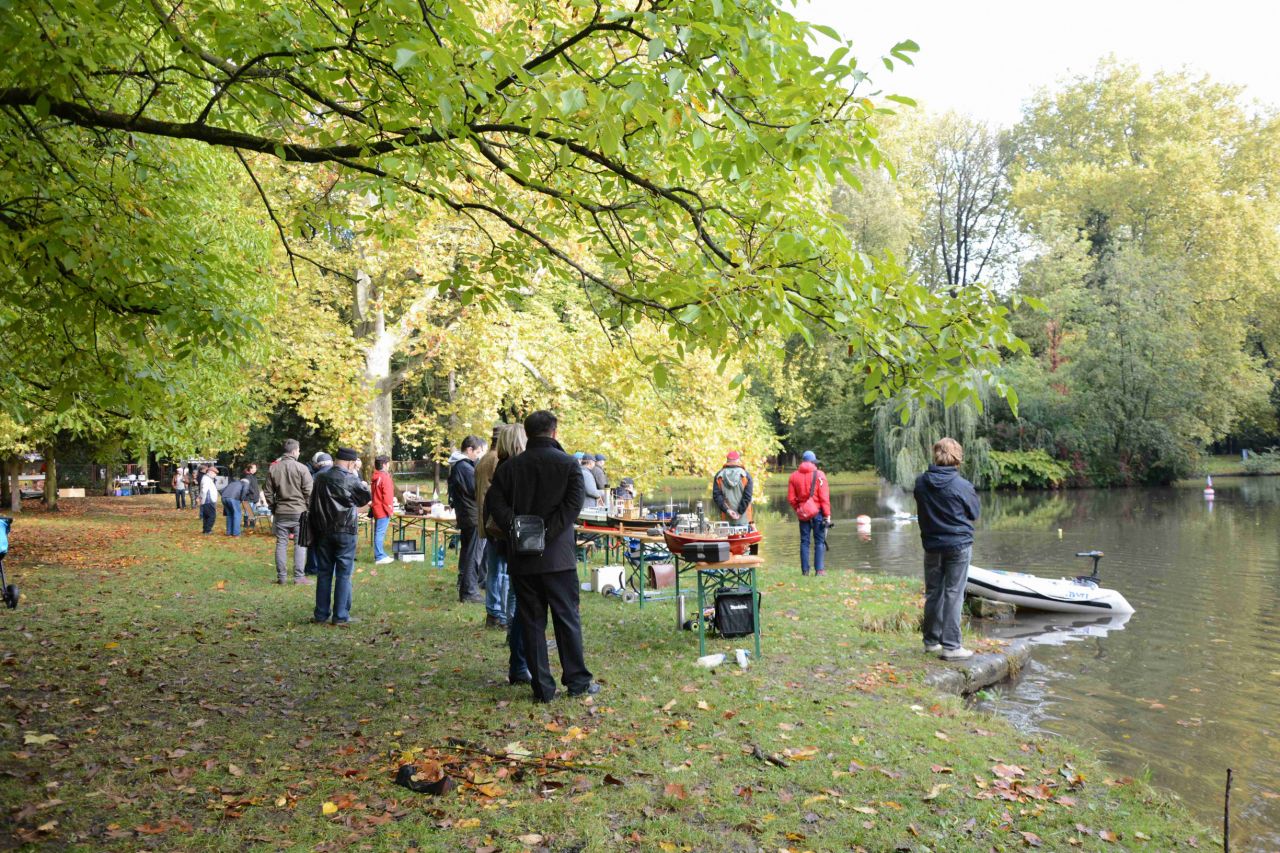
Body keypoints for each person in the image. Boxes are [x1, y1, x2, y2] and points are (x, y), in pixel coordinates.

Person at [485, 410, 597, 703]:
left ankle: (543, 688)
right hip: (558, 557)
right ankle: (577, 681)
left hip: (523, 557)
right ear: (554, 432)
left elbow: (494, 502)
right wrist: (546, 532)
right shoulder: (568, 464)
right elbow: (572, 507)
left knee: (532, 622)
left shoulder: (511, 467)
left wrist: (519, 528)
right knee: (566, 618)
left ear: (527, 433)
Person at [914, 437, 981, 661]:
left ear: (936, 454)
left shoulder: (921, 483)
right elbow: (974, 513)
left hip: (932, 545)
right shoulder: (962, 485)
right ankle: (952, 647)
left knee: (934, 592)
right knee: (954, 593)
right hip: (958, 545)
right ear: (957, 457)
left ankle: (931, 642)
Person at [309, 448, 372, 626]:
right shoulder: (351, 478)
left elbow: (313, 503)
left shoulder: (320, 478)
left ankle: (321, 614)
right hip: (345, 530)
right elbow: (364, 499)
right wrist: (364, 485)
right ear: (351, 463)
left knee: (324, 573)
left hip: (323, 530)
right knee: (344, 574)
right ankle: (340, 615)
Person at [264, 439, 313, 585]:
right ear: (294, 451)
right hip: (299, 511)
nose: (299, 453)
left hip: (281, 511)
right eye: (299, 450)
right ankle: (299, 577)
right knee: (300, 544)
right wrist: (308, 508)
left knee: (281, 543)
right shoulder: (302, 468)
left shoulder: (273, 468)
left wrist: (273, 507)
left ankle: (282, 577)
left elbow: (268, 492)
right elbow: (309, 492)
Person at [448, 435, 486, 603]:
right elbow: (476, 490)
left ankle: (464, 586)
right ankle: (469, 591)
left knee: (467, 552)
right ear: (469, 450)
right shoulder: (464, 467)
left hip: (466, 515)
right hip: (472, 516)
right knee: (473, 554)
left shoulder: (459, 465)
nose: (478, 456)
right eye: (477, 452)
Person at [474, 427, 504, 627]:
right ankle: (498, 612)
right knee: (501, 570)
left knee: (494, 569)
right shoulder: (496, 460)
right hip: (495, 522)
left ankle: (493, 613)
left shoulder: (483, 459)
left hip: (486, 519)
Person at [787, 450, 831, 576]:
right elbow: (824, 498)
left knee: (804, 541)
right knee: (819, 541)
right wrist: (827, 514)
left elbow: (791, 498)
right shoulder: (820, 475)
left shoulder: (793, 476)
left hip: (803, 514)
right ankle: (819, 570)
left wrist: (800, 509)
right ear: (812, 462)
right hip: (818, 512)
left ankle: (805, 571)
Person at [303, 452, 333, 576]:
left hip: (316, 513)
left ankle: (312, 567)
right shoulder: (337, 475)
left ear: (318, 464)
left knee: (313, 542)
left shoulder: (314, 477)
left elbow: (308, 495)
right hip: (332, 514)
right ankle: (327, 566)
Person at [712, 450, 754, 525]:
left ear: (727, 461)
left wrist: (728, 510)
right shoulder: (746, 476)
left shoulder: (719, 476)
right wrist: (739, 512)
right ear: (738, 461)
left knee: (727, 532)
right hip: (744, 519)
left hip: (726, 520)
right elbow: (747, 497)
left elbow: (717, 496)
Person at [370, 455, 395, 565]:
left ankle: (380, 554)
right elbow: (387, 496)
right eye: (388, 463)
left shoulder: (376, 476)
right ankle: (380, 556)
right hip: (383, 509)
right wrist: (390, 510)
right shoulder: (385, 477)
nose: (388, 465)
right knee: (380, 533)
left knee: (378, 533)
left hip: (376, 507)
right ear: (384, 465)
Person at [198, 465, 219, 535]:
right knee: (212, 516)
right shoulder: (206, 479)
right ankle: (208, 530)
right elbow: (204, 490)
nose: (215, 475)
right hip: (209, 500)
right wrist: (201, 497)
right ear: (210, 472)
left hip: (207, 500)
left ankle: (205, 530)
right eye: (215, 473)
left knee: (206, 516)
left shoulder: (206, 478)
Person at [241, 463, 262, 529]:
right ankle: (246, 524)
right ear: (250, 469)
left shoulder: (253, 476)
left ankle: (252, 525)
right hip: (248, 497)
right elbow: (248, 486)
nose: (256, 469)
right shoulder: (247, 476)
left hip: (254, 497)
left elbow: (255, 487)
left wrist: (257, 495)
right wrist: (253, 492)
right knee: (248, 511)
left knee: (252, 512)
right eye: (254, 468)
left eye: (256, 468)